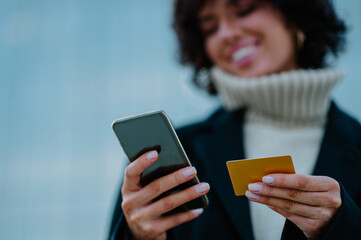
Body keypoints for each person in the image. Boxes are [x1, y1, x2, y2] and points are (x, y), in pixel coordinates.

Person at [108, 0, 361, 239]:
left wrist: (345, 226)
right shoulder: (178, 154)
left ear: (295, 13)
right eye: (210, 27)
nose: (226, 34)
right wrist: (137, 235)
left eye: (244, 9)